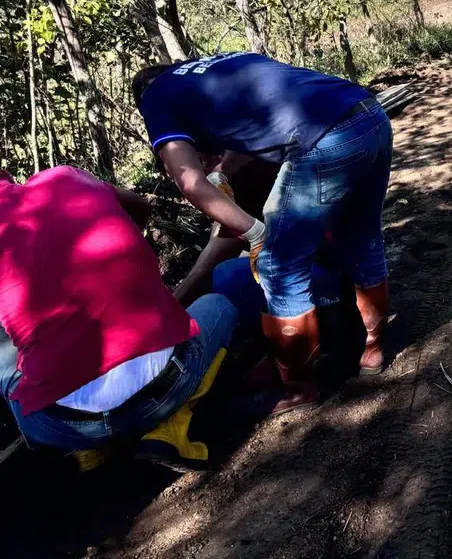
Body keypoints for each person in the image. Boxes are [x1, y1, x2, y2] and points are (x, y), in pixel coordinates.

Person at [131, 52, 394, 414]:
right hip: (367, 114)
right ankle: (374, 348)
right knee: (362, 238)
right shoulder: (215, 69)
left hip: (323, 139)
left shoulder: (156, 99)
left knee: (277, 264)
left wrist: (256, 234)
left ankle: (300, 387)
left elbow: (190, 183)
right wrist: (223, 173)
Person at [0, 166, 238, 468]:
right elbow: (140, 207)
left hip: (67, 424)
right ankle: (169, 427)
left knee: (4, 358)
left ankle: (90, 448)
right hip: (166, 387)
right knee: (218, 306)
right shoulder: (64, 177)